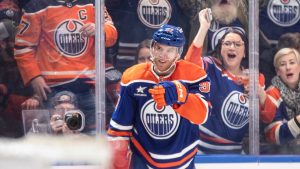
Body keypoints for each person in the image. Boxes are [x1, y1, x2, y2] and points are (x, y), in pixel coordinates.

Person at [107, 24, 210, 168]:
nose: (163, 55)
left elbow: (202, 115)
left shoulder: (194, 75)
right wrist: (117, 152)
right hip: (143, 157)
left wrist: (179, 94)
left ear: (178, 53)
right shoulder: (133, 77)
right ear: (152, 48)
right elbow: (121, 123)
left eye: (170, 50)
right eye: (159, 48)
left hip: (183, 160)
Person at [14, 0, 117, 134]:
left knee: (93, 139)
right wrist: (34, 76)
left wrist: (100, 30)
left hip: (88, 87)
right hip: (53, 89)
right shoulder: (36, 6)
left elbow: (112, 34)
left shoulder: (93, 3)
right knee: (56, 138)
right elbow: (23, 47)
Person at [185, 9, 266, 154]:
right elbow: (190, 64)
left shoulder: (255, 77)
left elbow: (267, 117)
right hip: (200, 152)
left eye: (237, 44)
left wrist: (260, 93)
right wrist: (204, 27)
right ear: (220, 49)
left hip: (235, 155)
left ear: (245, 51)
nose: (232, 47)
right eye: (227, 43)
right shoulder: (211, 67)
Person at [260, 48, 300, 154]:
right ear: (278, 72)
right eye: (282, 64)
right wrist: (298, 122)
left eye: (292, 63)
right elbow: (273, 136)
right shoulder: (272, 93)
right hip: (283, 157)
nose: (288, 67)